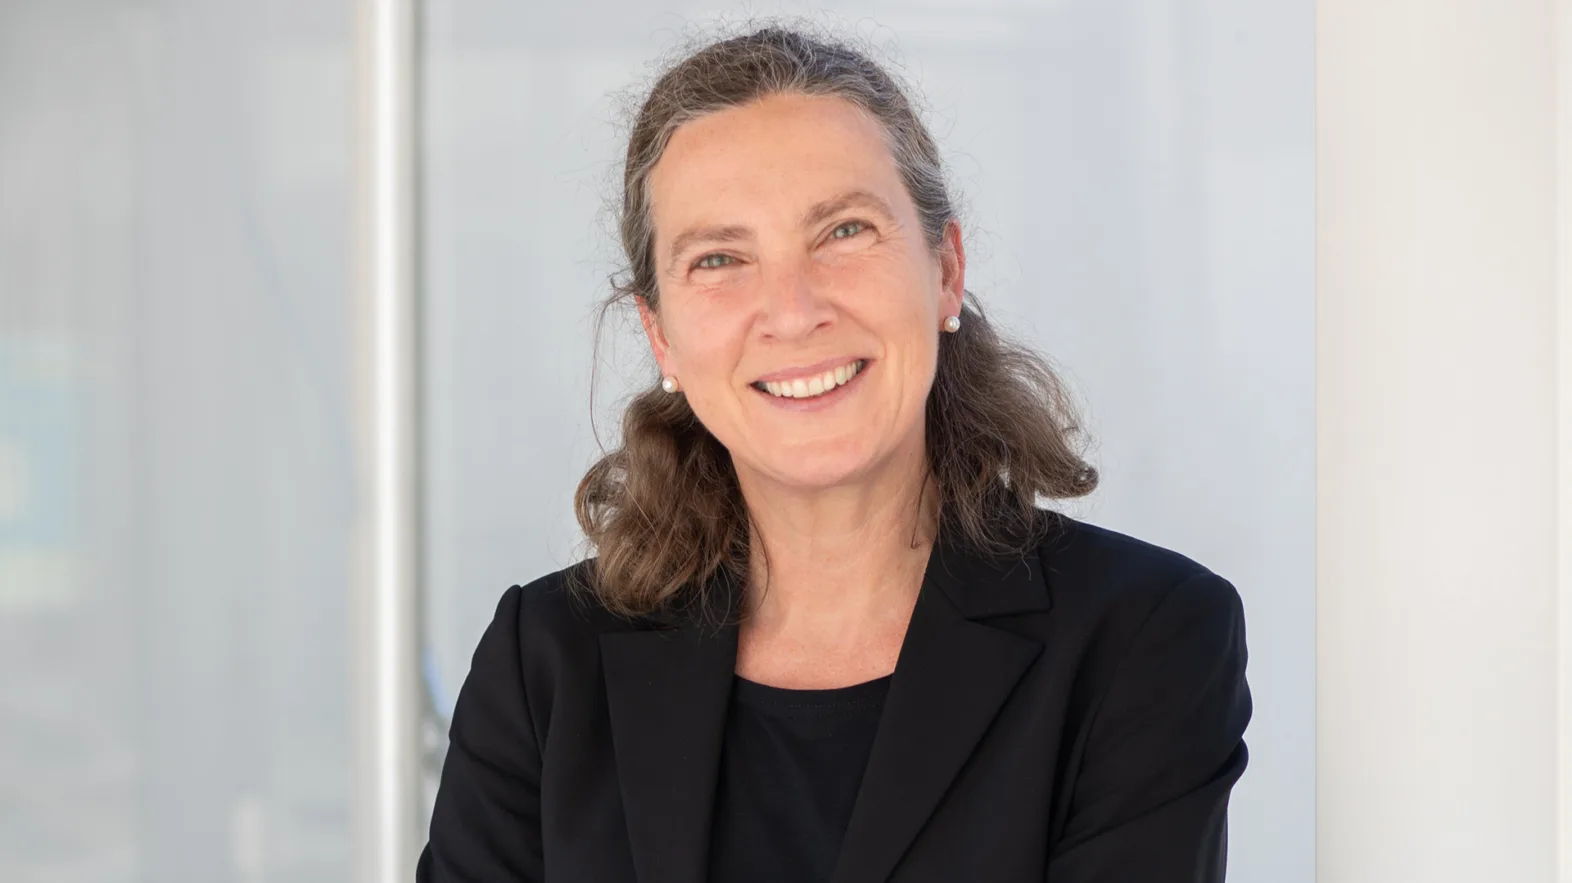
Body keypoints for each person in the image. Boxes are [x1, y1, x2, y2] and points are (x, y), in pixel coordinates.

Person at [416, 22, 1251, 883]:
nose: (792, 308)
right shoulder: (546, 663)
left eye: (844, 231)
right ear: (660, 334)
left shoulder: (1143, 639)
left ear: (946, 271)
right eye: (718, 257)